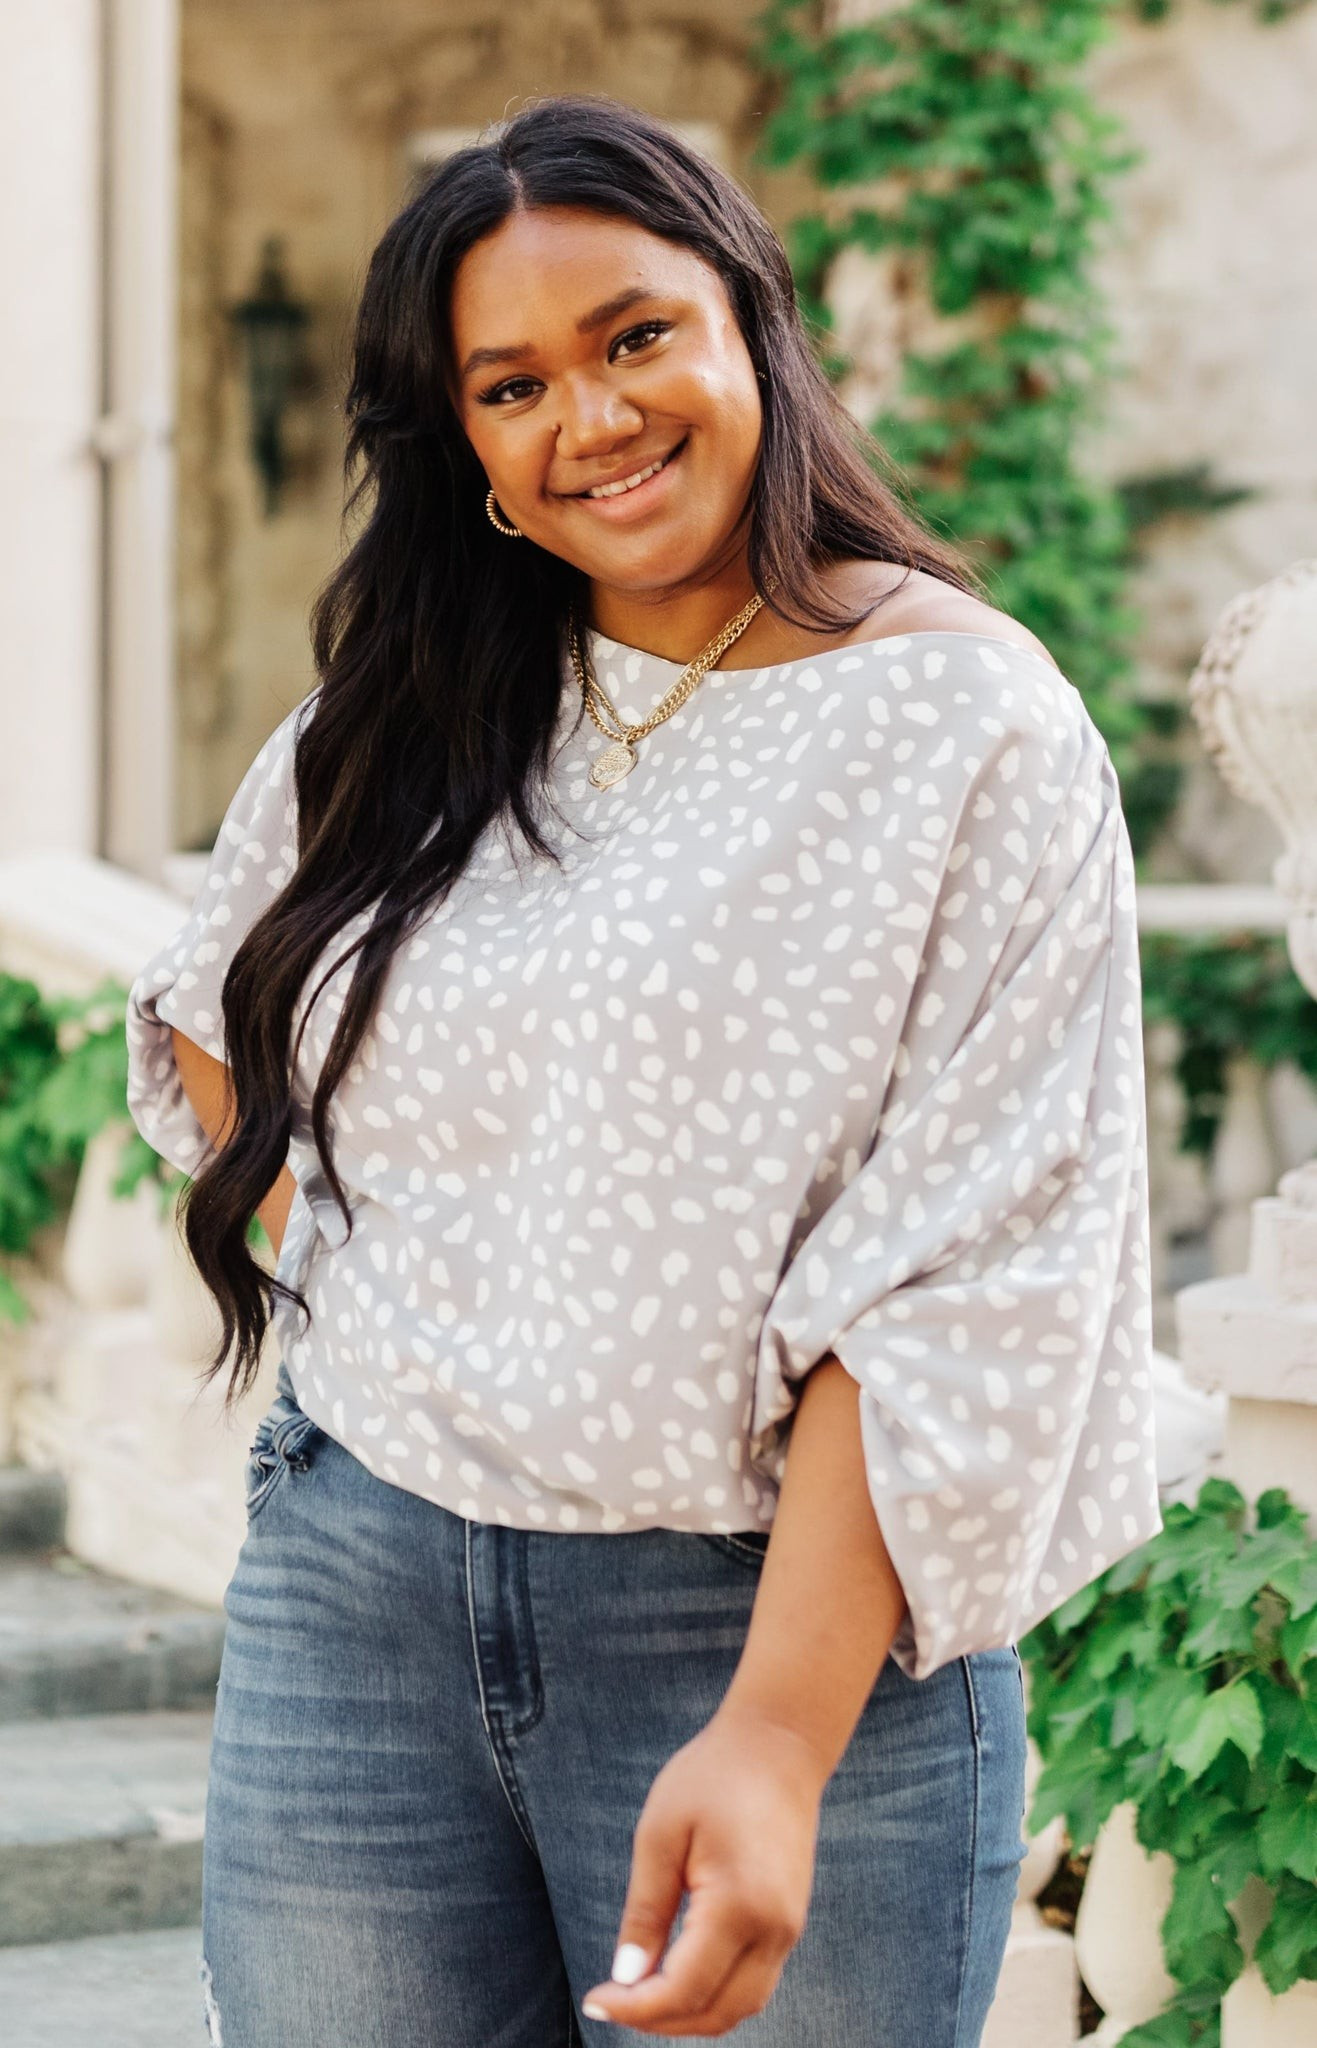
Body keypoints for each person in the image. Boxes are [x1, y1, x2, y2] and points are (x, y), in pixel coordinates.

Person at [126, 93, 1160, 2048]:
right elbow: (212, 995)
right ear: (477, 457)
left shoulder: (961, 727)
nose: (586, 418)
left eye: (629, 338)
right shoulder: (419, 709)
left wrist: (772, 1734)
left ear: (745, 321)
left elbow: (966, 1275)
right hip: (364, 1596)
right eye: (509, 387)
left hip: (764, 1624)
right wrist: (422, 1296)